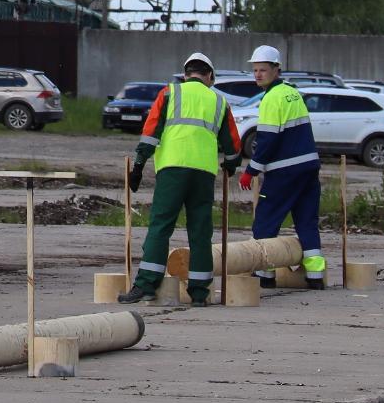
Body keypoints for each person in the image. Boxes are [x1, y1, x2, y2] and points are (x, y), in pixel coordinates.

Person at [117, 52, 243, 307]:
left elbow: (151, 132)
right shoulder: (219, 100)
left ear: (186, 74)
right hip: (204, 174)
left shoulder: (169, 93)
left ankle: (146, 286)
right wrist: (231, 165)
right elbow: (232, 144)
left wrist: (139, 165)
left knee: (161, 226)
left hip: (172, 170)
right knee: (200, 232)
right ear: (209, 76)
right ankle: (199, 293)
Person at [241, 45, 326, 289]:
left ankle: (264, 276)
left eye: (263, 70)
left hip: (284, 171)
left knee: (266, 221)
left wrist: (251, 170)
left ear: (276, 70)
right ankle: (315, 276)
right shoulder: (293, 93)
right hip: (308, 167)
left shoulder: (271, 99)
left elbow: (267, 140)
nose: (258, 75)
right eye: (255, 70)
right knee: (307, 221)